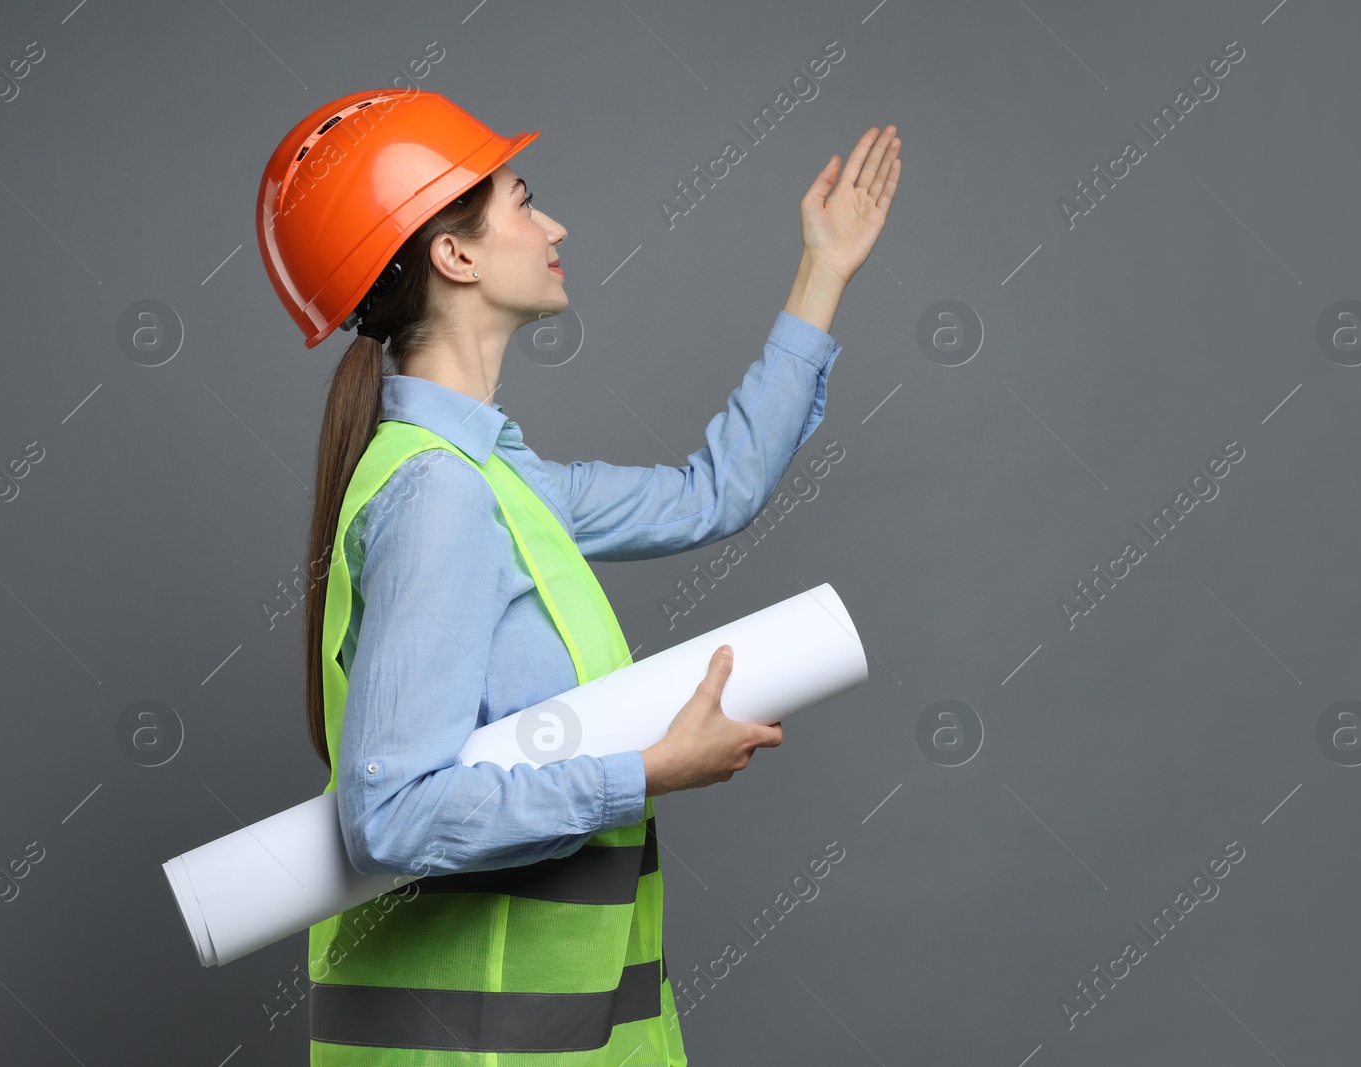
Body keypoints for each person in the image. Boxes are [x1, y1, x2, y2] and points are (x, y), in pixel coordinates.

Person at [255, 88, 901, 1065]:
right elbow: (392, 817)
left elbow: (709, 494)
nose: (553, 223)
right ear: (455, 255)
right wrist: (645, 771)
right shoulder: (439, 495)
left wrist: (822, 270)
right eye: (523, 200)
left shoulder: (493, 477)